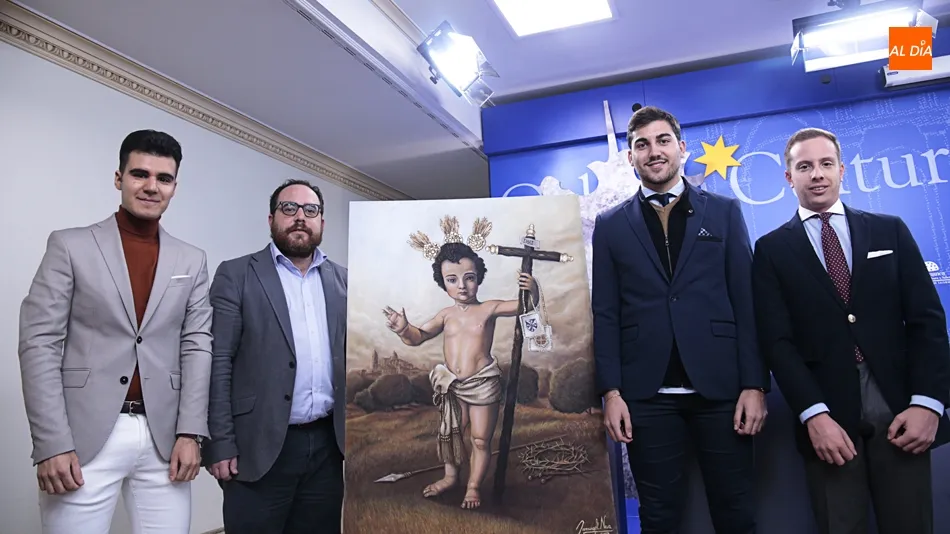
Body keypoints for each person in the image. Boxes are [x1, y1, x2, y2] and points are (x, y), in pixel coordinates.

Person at [752, 127, 950, 534]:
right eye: (804, 166)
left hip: (900, 406)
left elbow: (927, 321)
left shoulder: (889, 229)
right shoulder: (770, 250)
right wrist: (813, 414)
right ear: (789, 178)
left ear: (842, 170)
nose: (817, 174)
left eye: (826, 164)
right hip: (827, 415)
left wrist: (929, 403)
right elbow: (777, 342)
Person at [17, 129, 212, 533]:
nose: (151, 187)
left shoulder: (192, 259)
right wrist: (52, 443)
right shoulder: (70, 246)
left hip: (164, 439)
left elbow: (197, 346)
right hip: (83, 438)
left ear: (175, 186)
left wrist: (191, 432)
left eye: (164, 178)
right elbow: (39, 344)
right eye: (140, 174)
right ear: (118, 177)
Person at [591, 106, 768, 534]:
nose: (654, 151)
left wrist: (754, 384)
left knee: (735, 512)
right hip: (646, 396)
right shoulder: (610, 225)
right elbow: (606, 313)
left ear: (682, 148)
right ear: (631, 157)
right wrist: (610, 392)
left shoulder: (724, 212)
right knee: (658, 516)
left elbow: (746, 300)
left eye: (663, 140)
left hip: (722, 390)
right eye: (642, 145)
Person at [204, 179, 347, 534]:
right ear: (271, 219)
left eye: (310, 210)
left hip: (328, 448)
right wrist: (219, 443)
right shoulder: (236, 275)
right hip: (258, 446)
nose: (300, 217)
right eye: (289, 208)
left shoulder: (343, 281)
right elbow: (217, 362)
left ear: (322, 223)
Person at [382, 215, 539, 509]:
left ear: (478, 277)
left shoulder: (489, 308)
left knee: (480, 440)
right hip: (452, 385)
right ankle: (450, 477)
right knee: (451, 434)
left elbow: (524, 307)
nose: (463, 286)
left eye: (469, 278)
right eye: (452, 280)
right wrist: (404, 327)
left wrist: (533, 289)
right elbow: (418, 337)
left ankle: (473, 486)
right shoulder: (445, 315)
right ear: (443, 283)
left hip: (482, 384)